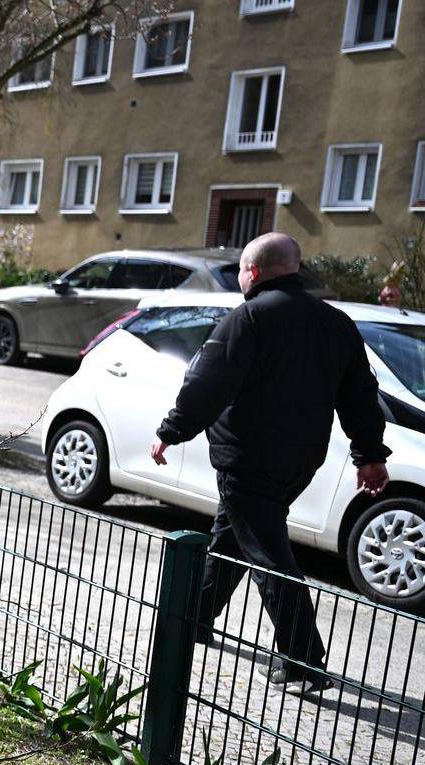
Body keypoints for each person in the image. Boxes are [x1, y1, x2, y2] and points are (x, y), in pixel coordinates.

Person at [152, 232, 390, 696]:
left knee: (267, 553)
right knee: (234, 537)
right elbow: (361, 396)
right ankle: (194, 617)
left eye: (241, 270)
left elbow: (208, 381)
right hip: (300, 462)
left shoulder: (250, 317)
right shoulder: (336, 323)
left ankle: (303, 661)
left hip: (246, 458)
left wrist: (171, 431)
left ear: (253, 272)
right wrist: (369, 455)